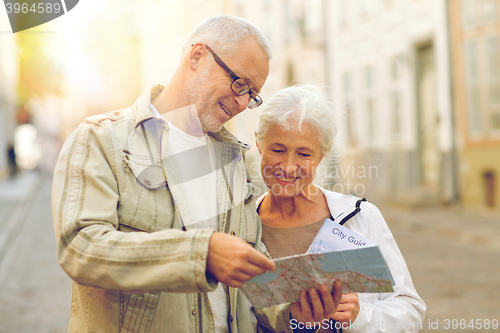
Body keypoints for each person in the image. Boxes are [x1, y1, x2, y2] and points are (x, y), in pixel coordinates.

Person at [52, 16, 340, 333]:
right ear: (197, 56)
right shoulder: (103, 140)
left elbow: (252, 278)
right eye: (239, 84)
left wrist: (295, 313)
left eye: (253, 94)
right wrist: (199, 254)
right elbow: (81, 248)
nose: (243, 103)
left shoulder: (231, 159)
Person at [254, 85, 426, 332]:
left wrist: (359, 316)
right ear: (259, 144)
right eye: (277, 150)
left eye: (304, 154)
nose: (289, 166)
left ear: (321, 156)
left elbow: (411, 309)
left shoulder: (360, 217)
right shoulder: (243, 225)